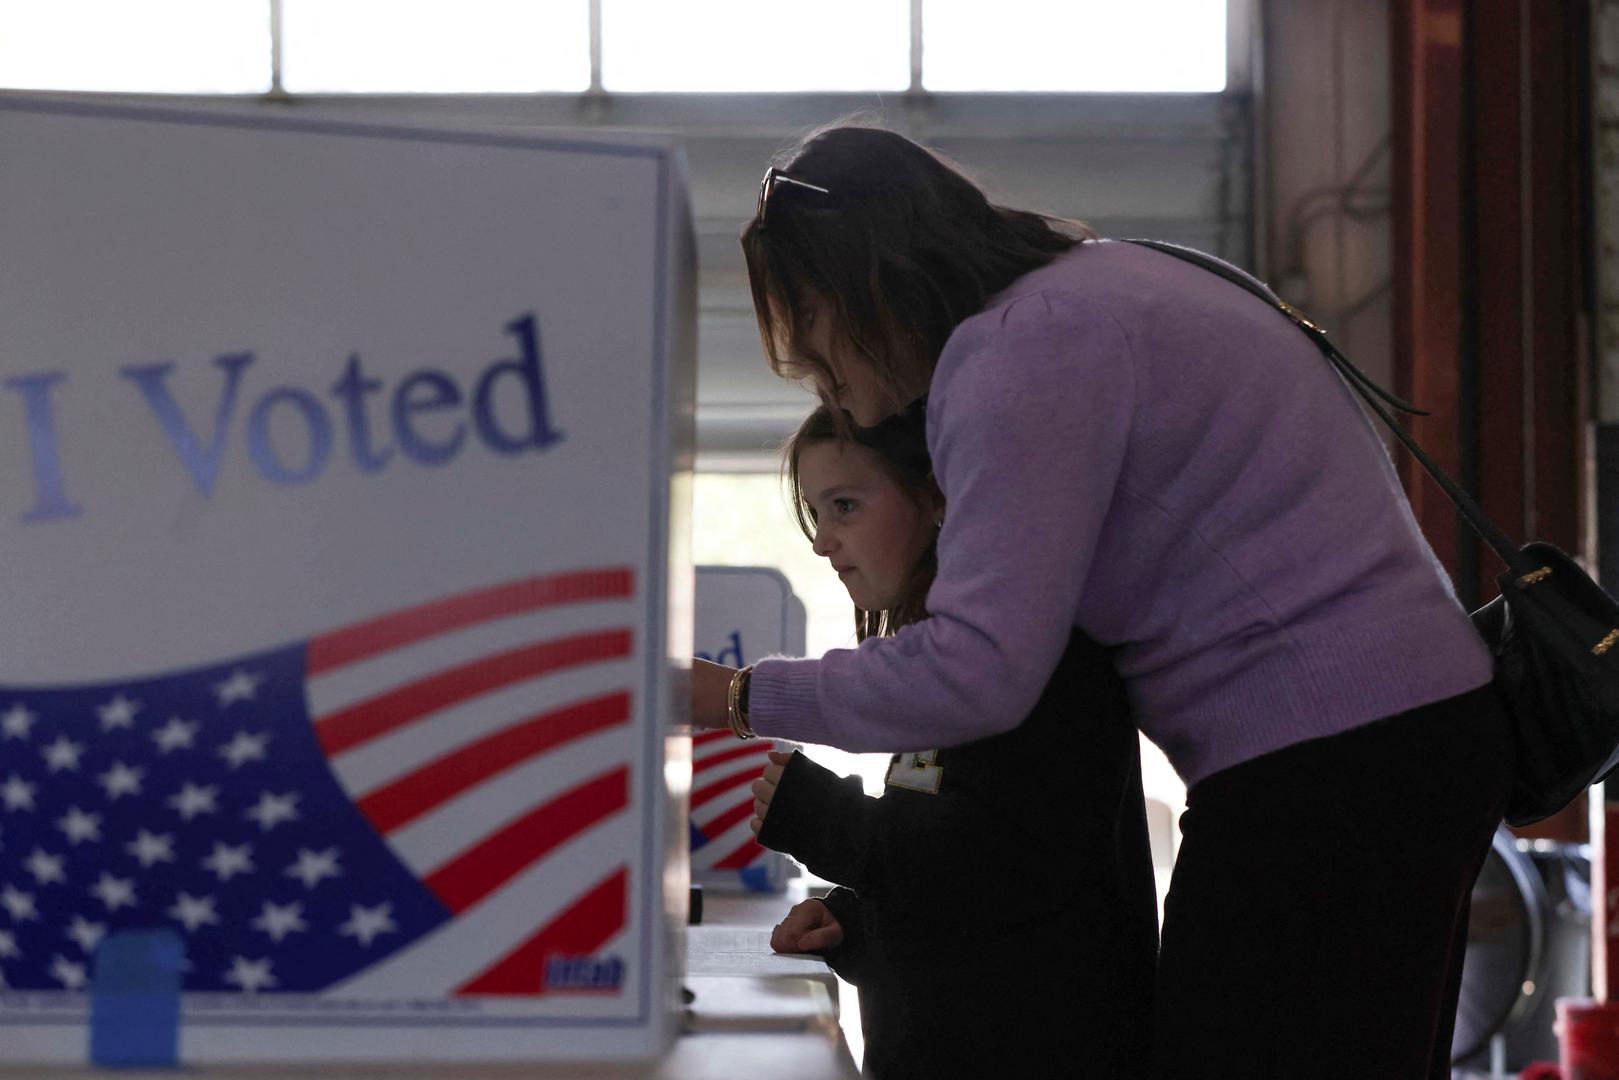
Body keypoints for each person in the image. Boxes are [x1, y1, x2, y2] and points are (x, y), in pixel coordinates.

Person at [692, 124, 1511, 1078]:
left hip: (1330, 757)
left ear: (860, 286)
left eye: (812, 334)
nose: (825, 381)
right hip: (1389, 735)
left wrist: (732, 697)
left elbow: (979, 671)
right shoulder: (1101, 285)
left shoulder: (1016, 351)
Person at [752, 404, 1157, 1079]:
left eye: (845, 506)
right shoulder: (944, 665)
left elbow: (1005, 867)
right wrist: (851, 923)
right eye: (817, 514)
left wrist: (826, 818)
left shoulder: (1046, 657)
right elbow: (952, 879)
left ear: (935, 498)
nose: (823, 542)